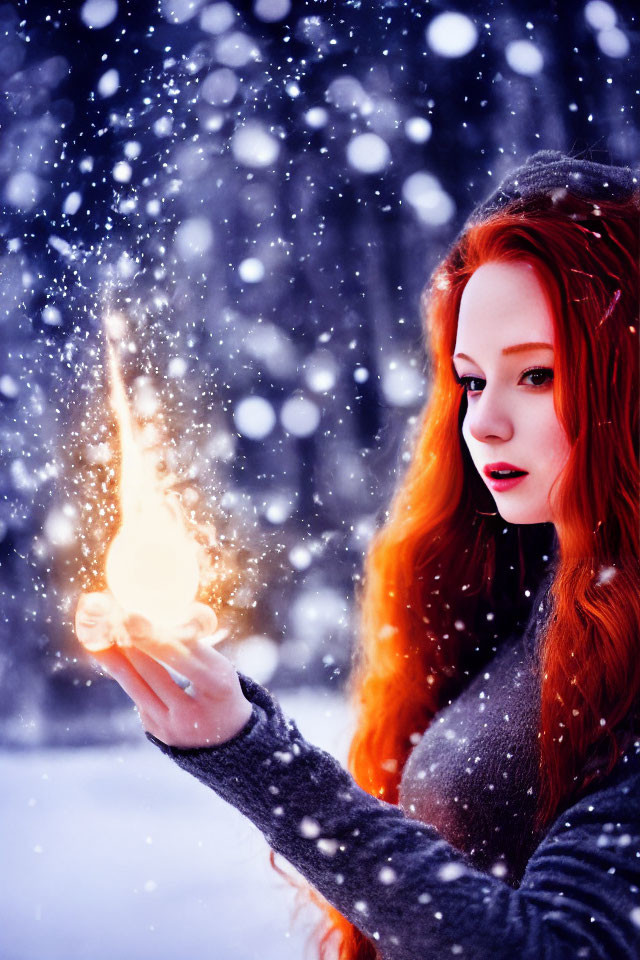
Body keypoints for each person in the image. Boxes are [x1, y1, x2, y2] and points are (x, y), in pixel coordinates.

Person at [76, 150, 640, 960]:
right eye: (473, 381)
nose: (482, 423)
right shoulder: (526, 586)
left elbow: (551, 950)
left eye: (539, 375)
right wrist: (228, 731)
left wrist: (263, 763)